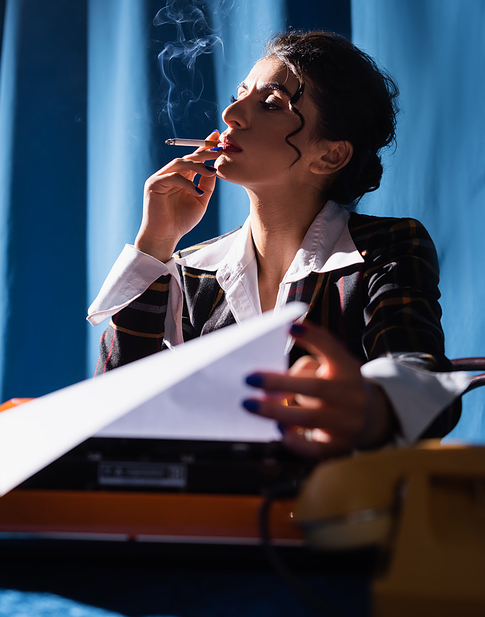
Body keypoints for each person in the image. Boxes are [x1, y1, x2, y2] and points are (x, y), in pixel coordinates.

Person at [88, 31, 465, 460]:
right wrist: (154, 244)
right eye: (239, 95)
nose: (231, 114)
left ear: (329, 156)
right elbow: (115, 408)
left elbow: (417, 370)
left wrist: (372, 407)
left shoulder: (384, 248)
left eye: (270, 104)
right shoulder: (190, 272)